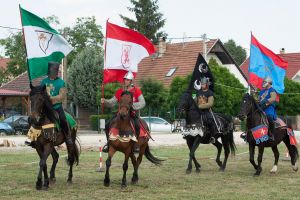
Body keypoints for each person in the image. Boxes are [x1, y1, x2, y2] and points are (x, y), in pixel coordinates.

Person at [101, 71, 146, 152]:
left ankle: (136, 144)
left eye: (128, 80)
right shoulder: (119, 91)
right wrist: (105, 101)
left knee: (137, 125)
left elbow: (143, 102)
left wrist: (132, 105)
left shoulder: (137, 91)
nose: (126, 81)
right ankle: (108, 144)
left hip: (132, 114)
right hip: (120, 114)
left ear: (131, 81)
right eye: (125, 79)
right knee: (107, 125)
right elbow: (112, 102)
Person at [40, 62, 74, 155]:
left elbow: (62, 96)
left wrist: (50, 99)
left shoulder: (61, 82)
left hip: (57, 107)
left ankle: (68, 137)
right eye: (53, 71)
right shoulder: (43, 82)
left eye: (56, 71)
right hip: (45, 108)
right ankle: (33, 138)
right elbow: (40, 94)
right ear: (49, 71)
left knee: (63, 119)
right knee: (35, 118)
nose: (55, 73)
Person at [196, 77, 217, 143]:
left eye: (203, 84)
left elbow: (210, 104)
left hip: (206, 111)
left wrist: (199, 106)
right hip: (198, 112)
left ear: (207, 84)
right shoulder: (198, 92)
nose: (202, 85)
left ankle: (212, 137)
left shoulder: (210, 93)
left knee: (210, 121)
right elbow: (196, 101)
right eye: (201, 84)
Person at [259, 76, 277, 141]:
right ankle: (248, 133)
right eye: (263, 81)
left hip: (269, 107)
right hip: (261, 107)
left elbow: (273, 98)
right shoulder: (262, 91)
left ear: (269, 83)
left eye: (265, 82)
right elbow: (259, 99)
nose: (263, 83)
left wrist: (265, 101)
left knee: (269, 117)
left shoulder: (272, 90)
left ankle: (272, 135)